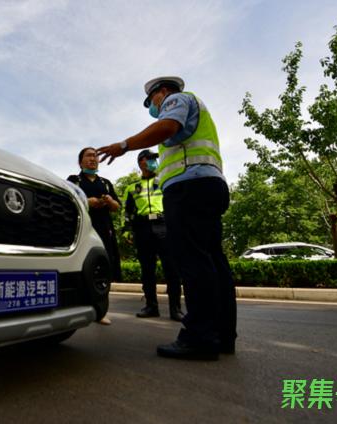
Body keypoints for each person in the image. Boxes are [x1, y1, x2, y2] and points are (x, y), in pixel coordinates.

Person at [97, 76, 237, 360]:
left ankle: (199, 337)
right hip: (207, 185)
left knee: (194, 262)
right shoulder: (196, 108)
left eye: (151, 101)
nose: (152, 107)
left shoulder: (176, 99)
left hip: (189, 188)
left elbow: (166, 126)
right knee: (213, 261)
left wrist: (123, 145)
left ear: (161, 92)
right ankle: (221, 334)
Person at [122, 149, 183, 322]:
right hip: (143, 228)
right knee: (147, 270)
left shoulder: (165, 181)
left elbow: (175, 202)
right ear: (141, 162)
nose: (153, 162)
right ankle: (151, 306)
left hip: (164, 225)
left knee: (171, 268)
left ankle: (175, 309)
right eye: (149, 159)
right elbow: (127, 212)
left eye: (154, 159)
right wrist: (126, 229)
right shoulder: (132, 187)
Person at [68, 147, 122, 325]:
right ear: (80, 162)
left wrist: (109, 201)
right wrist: (87, 202)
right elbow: (68, 201)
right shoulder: (74, 181)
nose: (93, 158)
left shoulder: (105, 183)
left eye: (96, 156)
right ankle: (76, 307)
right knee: (80, 266)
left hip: (104, 230)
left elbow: (117, 207)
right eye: (89, 156)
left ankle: (100, 311)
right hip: (82, 230)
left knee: (103, 269)